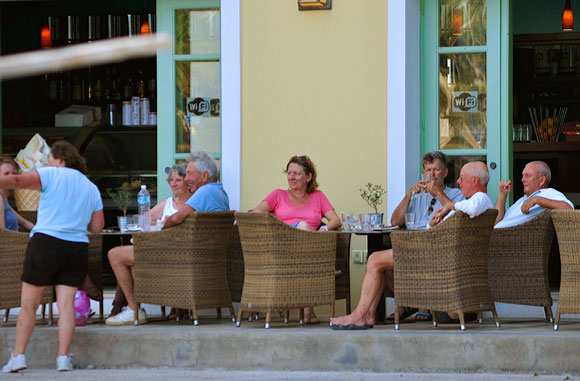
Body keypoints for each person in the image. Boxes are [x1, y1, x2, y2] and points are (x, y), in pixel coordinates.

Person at [330, 161, 493, 330]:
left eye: (462, 178)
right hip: (435, 253)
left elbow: (471, 208)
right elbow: (406, 222)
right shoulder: (469, 203)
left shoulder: (480, 199)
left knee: (375, 259)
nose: (458, 181)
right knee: (381, 266)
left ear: (474, 181)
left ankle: (359, 315)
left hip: (434, 255)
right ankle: (368, 315)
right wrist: (436, 220)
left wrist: (448, 207)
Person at [1, 141, 104, 373]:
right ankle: (63, 358)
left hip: (46, 242)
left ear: (59, 159)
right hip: (76, 246)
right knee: (66, 305)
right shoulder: (90, 187)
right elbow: (97, 227)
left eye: (49, 160)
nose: (48, 164)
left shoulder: (51, 174)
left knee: (29, 304)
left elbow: (18, 182)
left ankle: (18, 356)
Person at [105, 151, 230, 326]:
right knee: (134, 261)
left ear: (205, 175)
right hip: (201, 259)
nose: (186, 178)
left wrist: (162, 226)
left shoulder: (205, 191)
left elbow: (177, 218)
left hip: (180, 257)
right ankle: (128, 308)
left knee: (115, 254)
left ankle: (134, 310)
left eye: (189, 173)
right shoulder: (220, 192)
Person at [253, 155, 341, 324]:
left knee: (305, 233)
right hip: (282, 247)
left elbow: (335, 220)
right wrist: (278, 226)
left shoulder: (318, 196)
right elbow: (255, 214)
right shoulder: (277, 195)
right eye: (289, 173)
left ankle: (308, 311)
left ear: (308, 177)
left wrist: (324, 229)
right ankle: (321, 269)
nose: (291, 177)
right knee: (302, 225)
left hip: (306, 248)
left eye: (296, 174)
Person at [108, 163, 192, 317]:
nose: (173, 184)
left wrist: (165, 222)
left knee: (121, 256)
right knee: (125, 258)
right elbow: (143, 220)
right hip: (156, 248)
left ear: (188, 182)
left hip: (174, 254)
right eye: (170, 180)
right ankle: (129, 307)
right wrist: (158, 222)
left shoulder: (193, 203)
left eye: (178, 180)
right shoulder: (168, 203)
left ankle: (127, 308)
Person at [389, 151, 465, 321]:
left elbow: (456, 214)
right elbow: (395, 220)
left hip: (440, 247)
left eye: (436, 170)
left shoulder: (456, 195)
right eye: (428, 170)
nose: (431, 174)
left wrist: (438, 192)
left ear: (444, 173)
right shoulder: (417, 197)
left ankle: (420, 304)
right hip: (412, 246)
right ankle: (408, 303)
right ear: (423, 173)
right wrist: (409, 194)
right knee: (383, 263)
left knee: (423, 258)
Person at [494, 161, 573, 228]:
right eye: (523, 176)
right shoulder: (522, 199)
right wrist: (502, 194)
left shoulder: (547, 193)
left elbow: (568, 209)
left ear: (541, 180)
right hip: (497, 236)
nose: (522, 180)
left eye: (527, 176)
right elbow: (496, 222)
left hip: (506, 239)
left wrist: (537, 199)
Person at [0, 157, 34, 232]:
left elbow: (24, 223)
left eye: (14, 173)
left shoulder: (4, 199)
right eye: (6, 173)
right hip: (8, 243)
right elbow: (2, 233)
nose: (12, 176)